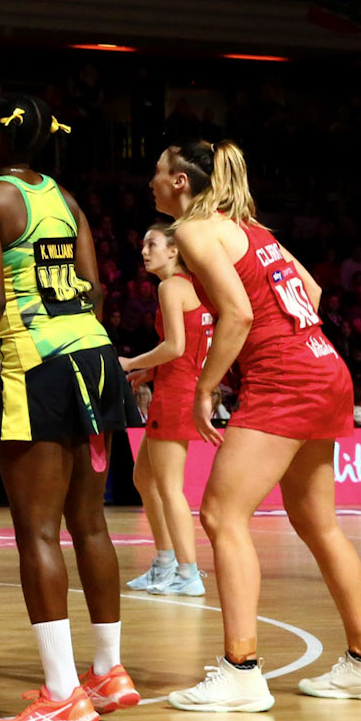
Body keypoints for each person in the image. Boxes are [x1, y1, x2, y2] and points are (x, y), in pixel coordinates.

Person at [151, 140, 361, 711]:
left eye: (157, 174)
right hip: (324, 364)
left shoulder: (193, 231)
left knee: (220, 514)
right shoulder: (248, 225)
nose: (152, 183)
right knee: (318, 523)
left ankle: (240, 671)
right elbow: (310, 290)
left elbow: (237, 313)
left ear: (181, 183)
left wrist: (208, 385)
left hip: (284, 377)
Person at [0, 93, 135, 721]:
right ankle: (108, 673)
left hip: (39, 363)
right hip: (94, 352)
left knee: (37, 532)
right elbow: (96, 287)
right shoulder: (64, 198)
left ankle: (61, 695)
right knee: (90, 524)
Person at [120, 222, 212, 597]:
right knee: (144, 480)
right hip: (177, 388)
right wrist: (149, 371)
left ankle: (187, 573)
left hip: (175, 395)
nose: (144, 250)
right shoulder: (191, 288)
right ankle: (164, 564)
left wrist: (129, 363)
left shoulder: (170, 287)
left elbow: (174, 346)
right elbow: (185, 348)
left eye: (152, 243)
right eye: (143, 243)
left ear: (174, 250)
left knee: (170, 488)